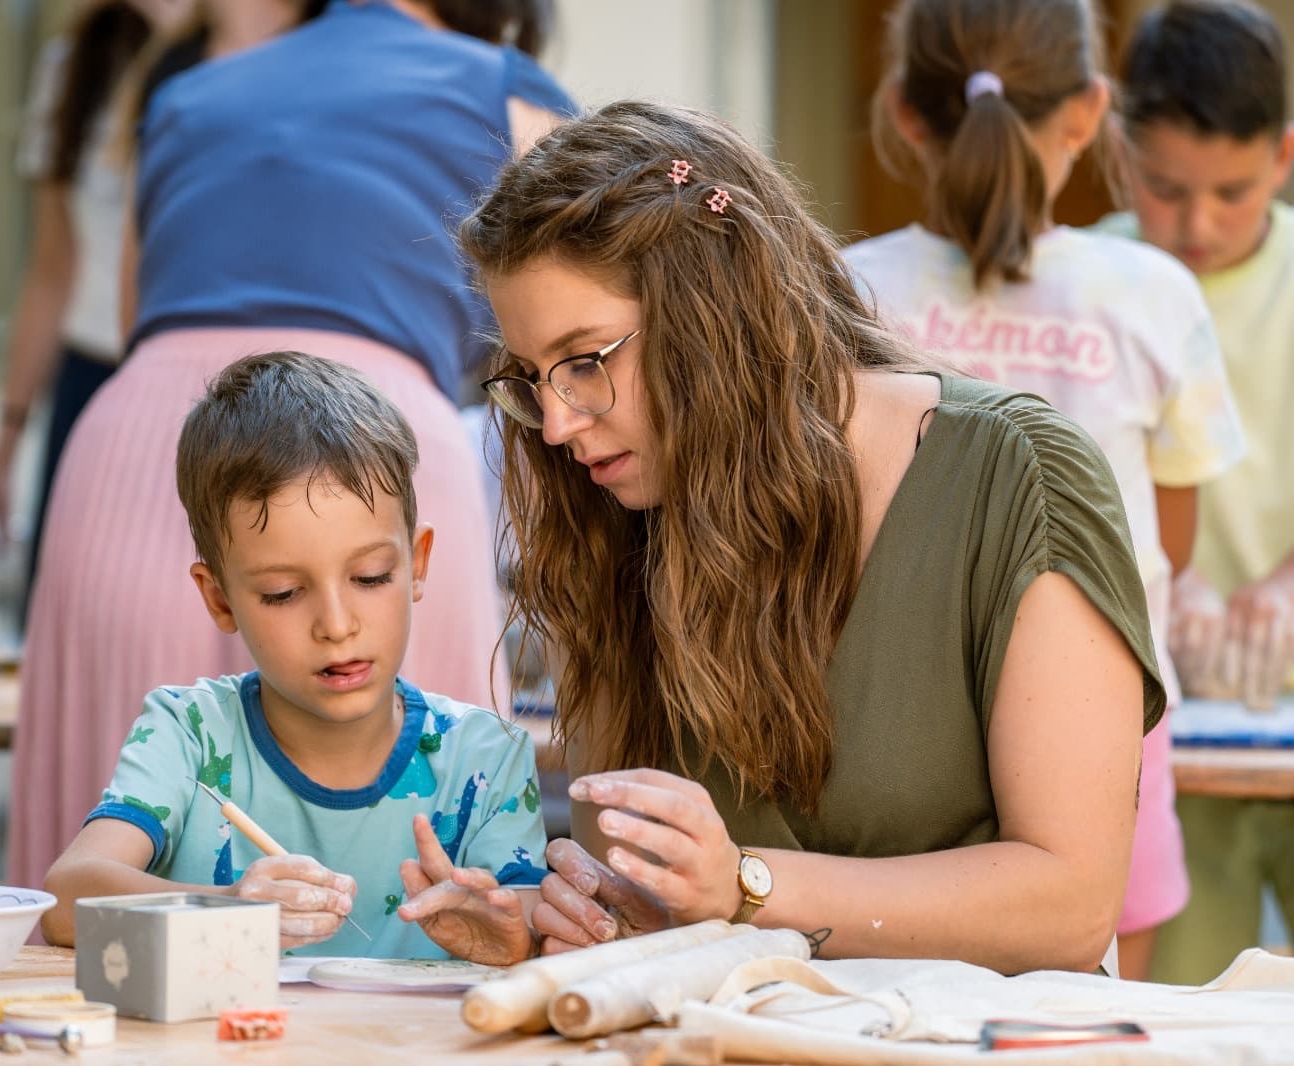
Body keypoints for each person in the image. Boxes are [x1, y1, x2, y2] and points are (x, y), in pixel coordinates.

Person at [459, 98, 1167, 975]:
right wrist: (576, 911)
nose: (557, 426)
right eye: (531, 378)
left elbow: (1070, 909)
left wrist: (746, 887)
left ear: (714, 310)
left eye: (586, 360)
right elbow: (644, 885)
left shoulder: (1020, 477)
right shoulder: (614, 520)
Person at [7, 0, 572, 893]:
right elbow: (566, 323)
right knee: (425, 861)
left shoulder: (188, 92)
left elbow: (131, 311)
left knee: (118, 872)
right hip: (375, 438)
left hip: (143, 445)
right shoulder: (505, 89)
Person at [841, 0, 1245, 981]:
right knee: (1089, 1029)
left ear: (902, 113)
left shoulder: (839, 289)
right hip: (1110, 741)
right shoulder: (1150, 294)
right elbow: (1166, 551)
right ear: (1089, 113)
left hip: (884, 745)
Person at [41, 352, 546, 962]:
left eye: (370, 576)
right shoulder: (191, 736)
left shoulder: (487, 759)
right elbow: (67, 900)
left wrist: (510, 934)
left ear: (418, 564)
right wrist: (225, 910)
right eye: (283, 593)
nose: (336, 626)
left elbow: (531, 921)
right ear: (220, 599)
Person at [1097, 0, 1294, 985]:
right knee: (1179, 1005)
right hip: (1155, 727)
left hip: (1282, 696)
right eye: (1167, 190)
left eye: (1232, 192)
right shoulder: (1086, 280)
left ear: (1284, 157)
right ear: (1117, 150)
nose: (1197, 224)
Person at [0, 0, 185, 607]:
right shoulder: (75, 64)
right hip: (92, 381)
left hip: (203, 388)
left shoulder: (242, 60)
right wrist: (2, 452)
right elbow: (52, 270)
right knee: (67, 603)